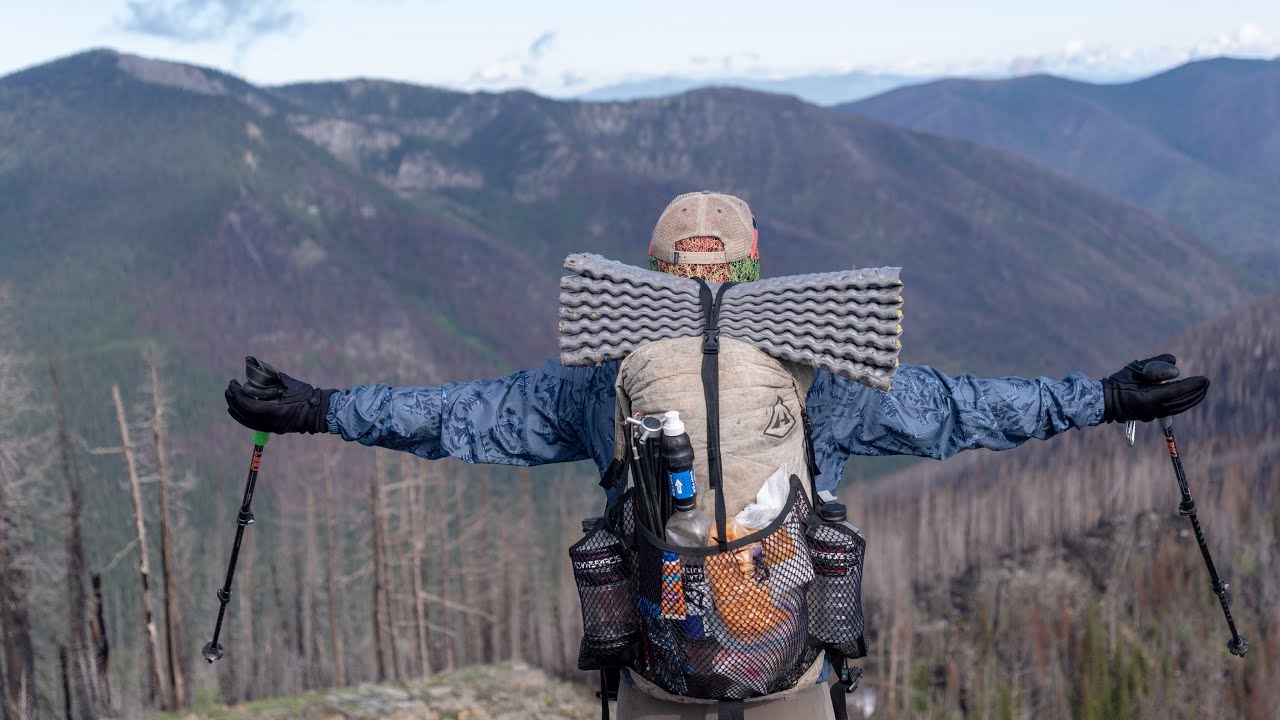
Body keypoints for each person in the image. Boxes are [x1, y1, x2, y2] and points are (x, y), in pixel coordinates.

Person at [226, 191, 1208, 719]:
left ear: (652, 276)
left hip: (656, 674)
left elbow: (457, 418)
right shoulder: (813, 371)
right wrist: (1105, 397)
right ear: (752, 261)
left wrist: (319, 409)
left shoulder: (597, 384)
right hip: (787, 672)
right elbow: (965, 411)